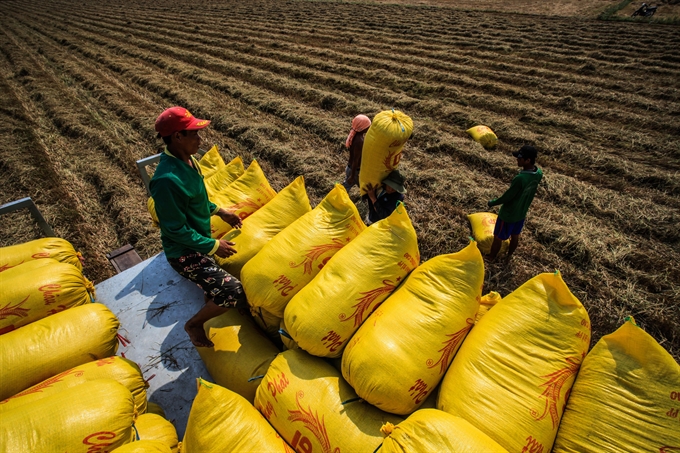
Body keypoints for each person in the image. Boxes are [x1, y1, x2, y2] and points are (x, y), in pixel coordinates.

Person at [150, 106, 246, 348]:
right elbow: (175, 230)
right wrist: (213, 246)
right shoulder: (166, 181)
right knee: (233, 292)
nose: (199, 138)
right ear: (177, 137)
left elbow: (198, 198)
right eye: (193, 133)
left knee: (215, 284)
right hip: (183, 252)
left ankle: (208, 292)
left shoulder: (190, 160)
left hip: (199, 241)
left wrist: (221, 212)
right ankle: (193, 325)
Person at [487, 145, 543, 261]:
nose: (517, 160)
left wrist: (493, 202)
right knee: (515, 235)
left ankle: (491, 258)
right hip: (521, 213)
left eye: (520, 158)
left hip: (508, 214)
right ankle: (509, 256)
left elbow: (507, 197)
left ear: (528, 160)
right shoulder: (538, 174)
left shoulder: (520, 179)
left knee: (497, 237)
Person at [342, 114, 371, 191]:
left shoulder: (354, 134)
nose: (369, 128)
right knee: (366, 189)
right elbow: (356, 159)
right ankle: (336, 198)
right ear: (362, 128)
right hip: (355, 171)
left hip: (350, 168)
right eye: (368, 126)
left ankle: (337, 197)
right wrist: (352, 176)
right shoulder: (359, 141)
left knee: (346, 187)